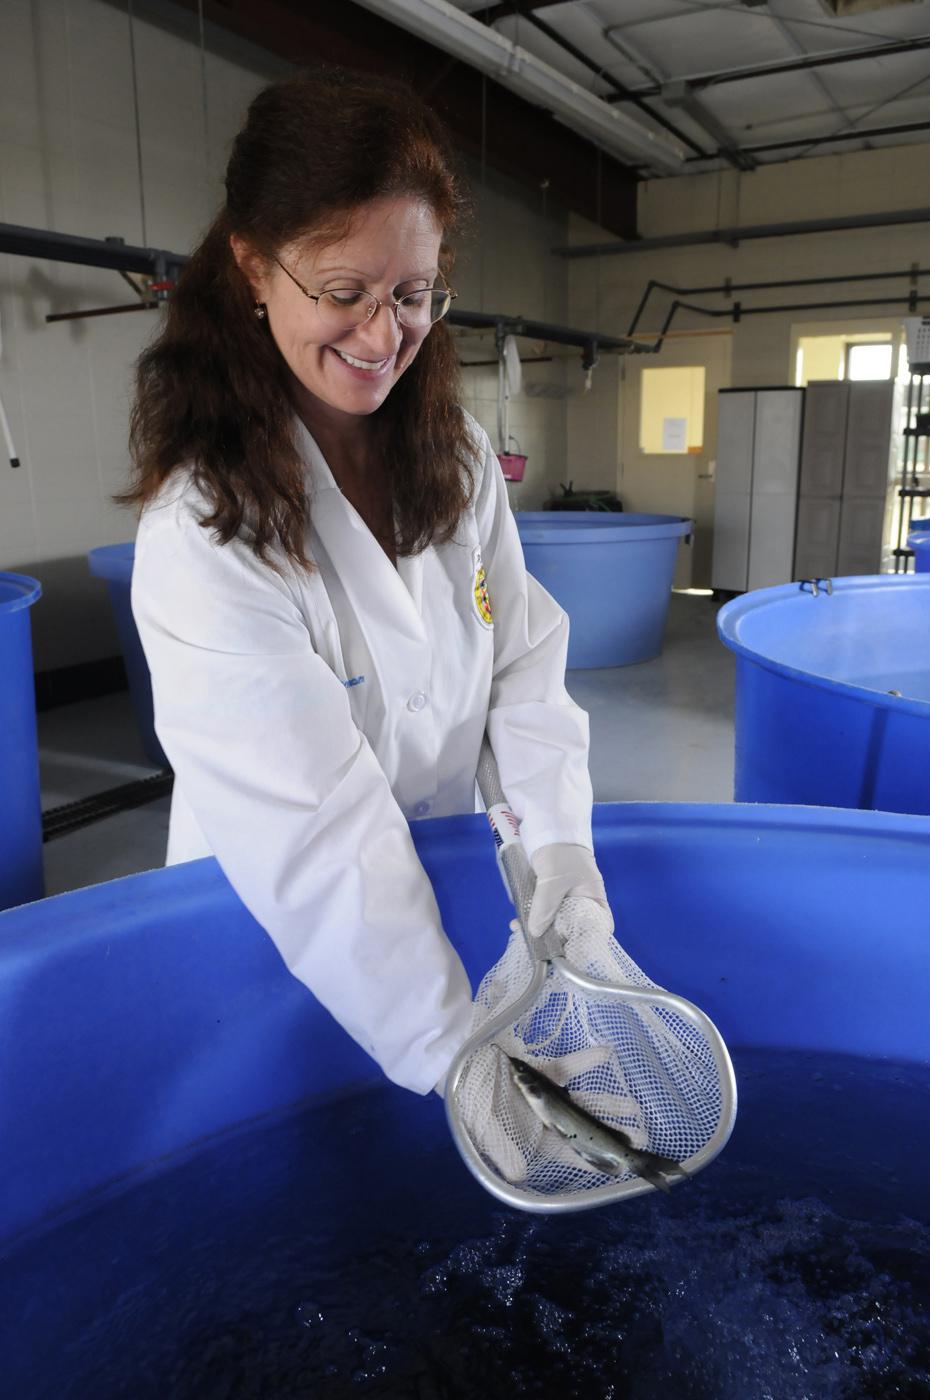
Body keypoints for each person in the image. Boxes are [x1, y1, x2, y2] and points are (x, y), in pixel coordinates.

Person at [126, 66, 614, 1125]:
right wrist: (460, 1051)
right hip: (273, 932)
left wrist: (563, 863)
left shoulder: (457, 455)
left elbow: (521, 662)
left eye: (414, 293)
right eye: (344, 292)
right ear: (255, 267)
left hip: (430, 898)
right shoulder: (204, 534)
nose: (384, 333)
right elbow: (320, 840)